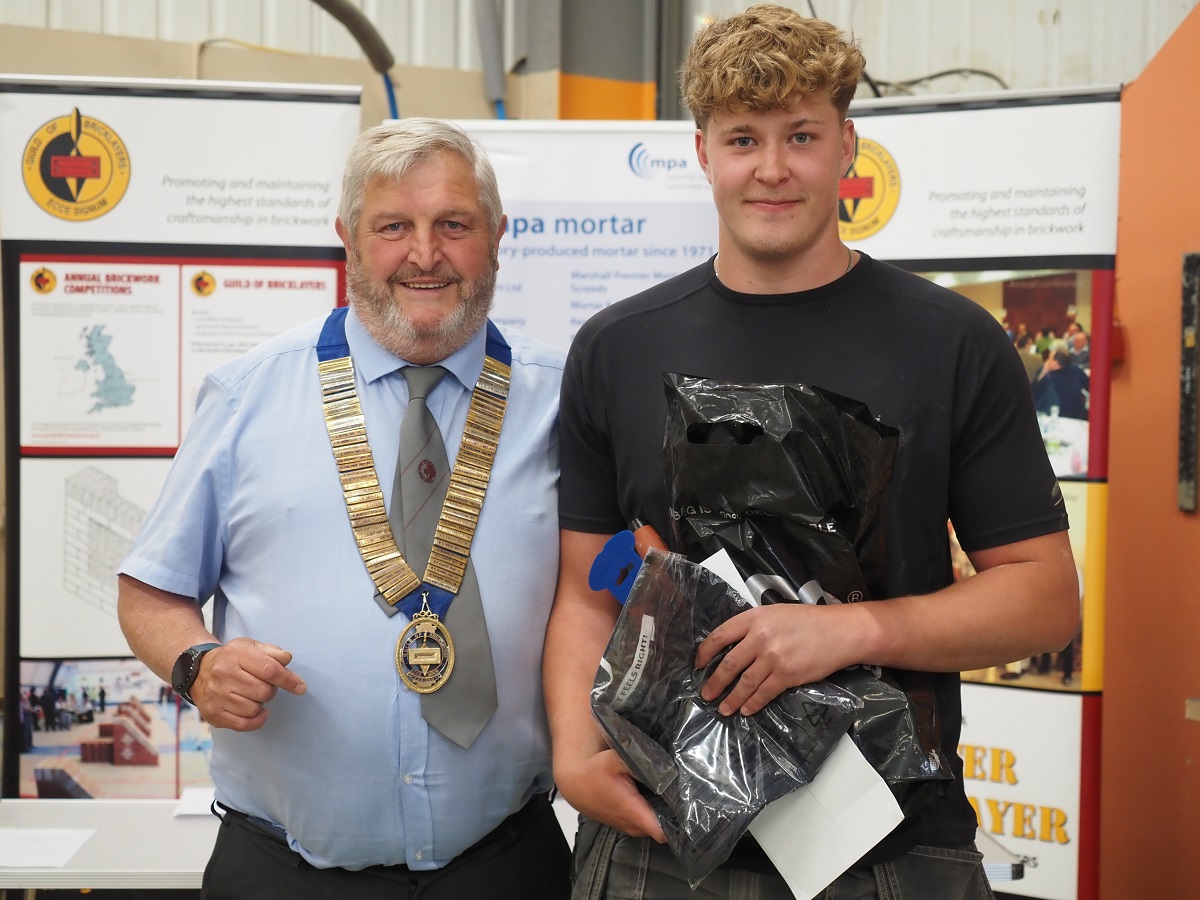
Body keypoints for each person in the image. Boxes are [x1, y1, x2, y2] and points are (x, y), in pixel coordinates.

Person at [543, 6, 1080, 899]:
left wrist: (850, 631)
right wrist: (570, 747)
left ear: (847, 148)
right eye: (743, 138)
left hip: (892, 844)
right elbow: (581, 592)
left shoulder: (951, 341)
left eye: (801, 134)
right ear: (703, 153)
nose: (773, 168)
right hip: (660, 836)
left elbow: (1046, 600)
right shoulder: (616, 347)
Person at [117, 118, 570, 900]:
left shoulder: (565, 402)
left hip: (506, 865)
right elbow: (150, 592)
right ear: (349, 241)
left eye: (453, 225)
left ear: (497, 236)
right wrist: (198, 664)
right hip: (283, 872)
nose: (425, 254)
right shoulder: (247, 396)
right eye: (393, 226)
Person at [1032, 349, 1090, 419]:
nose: (1047, 361)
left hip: (1053, 418)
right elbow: (1089, 387)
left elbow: (1033, 396)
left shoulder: (1048, 378)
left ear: (1055, 363)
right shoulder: (1078, 372)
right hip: (1076, 417)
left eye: (1050, 359)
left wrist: (1043, 372)